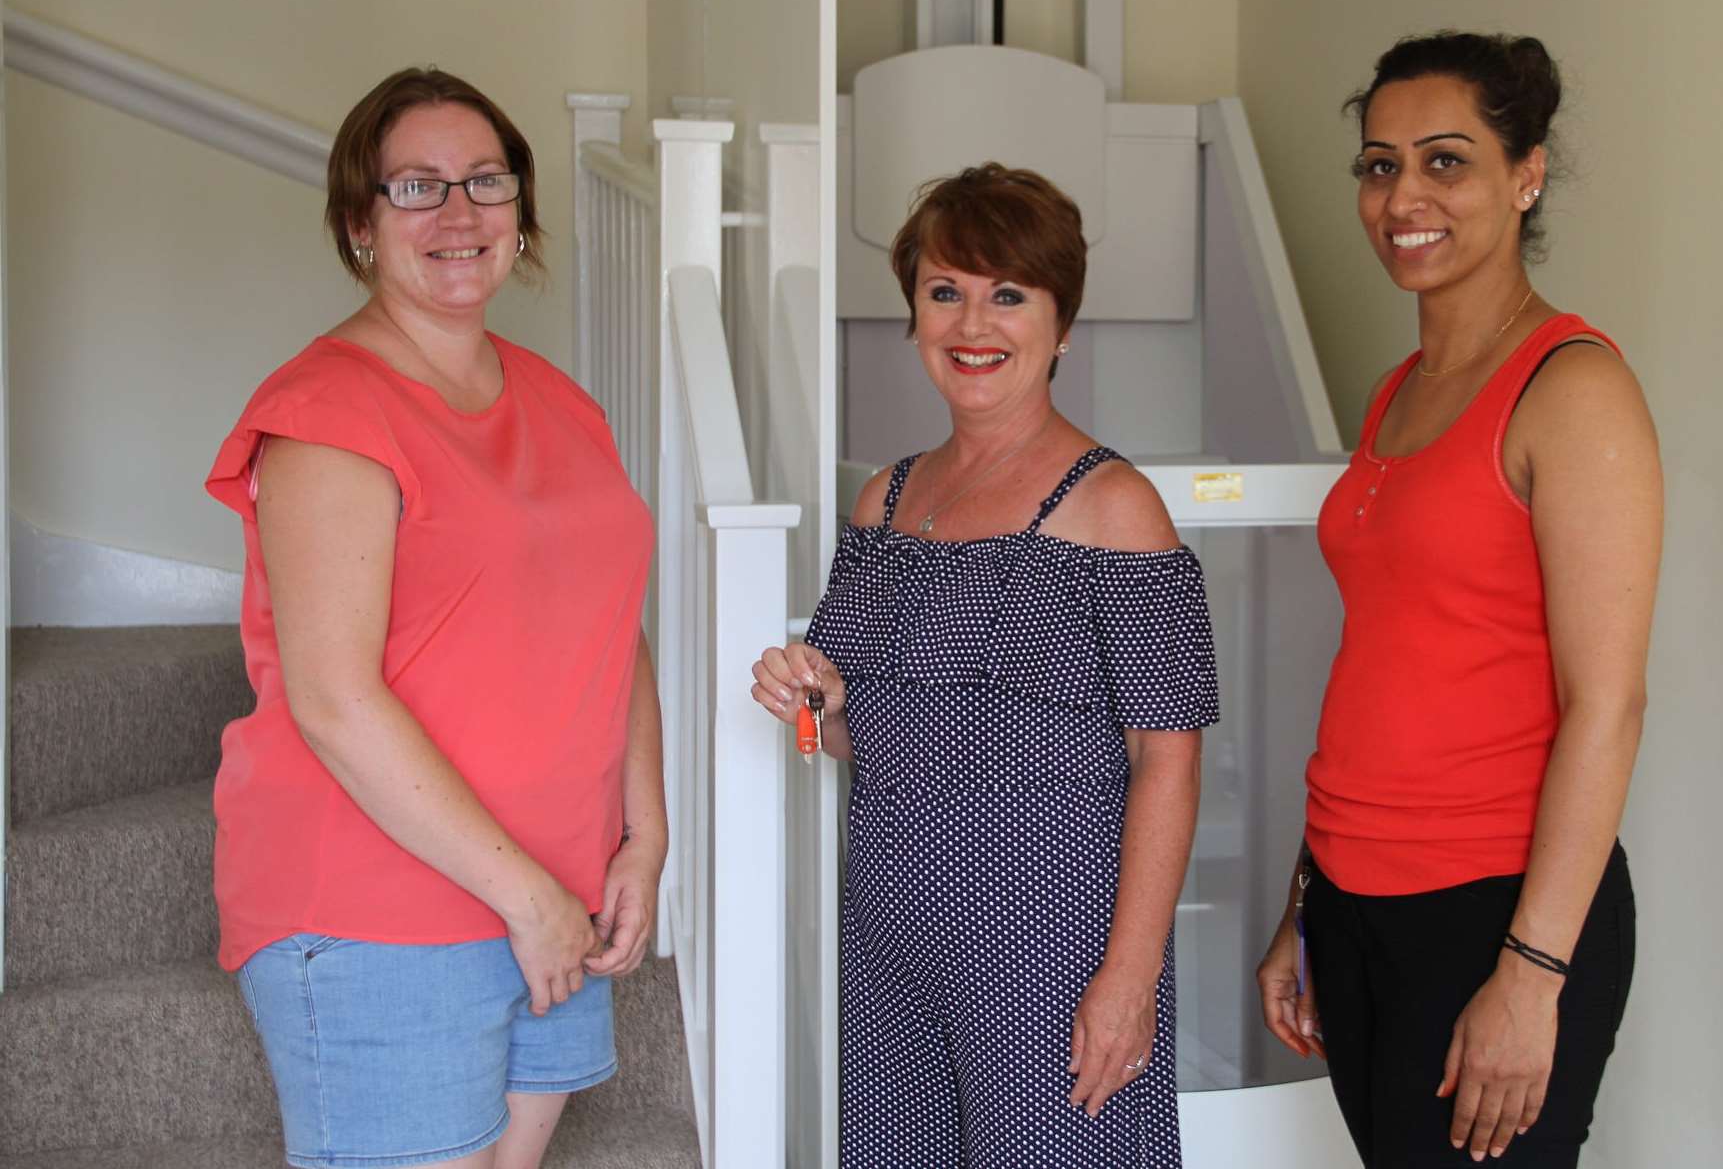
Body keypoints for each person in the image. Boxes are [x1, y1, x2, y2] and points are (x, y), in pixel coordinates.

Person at [204, 68, 664, 1169]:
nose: (458, 214)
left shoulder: (563, 402)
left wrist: (642, 837)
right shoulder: (326, 413)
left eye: (485, 182)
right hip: (383, 914)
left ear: (519, 214)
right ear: (361, 225)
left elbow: (615, 627)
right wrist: (530, 899)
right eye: (416, 187)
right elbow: (332, 696)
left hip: (555, 893)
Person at [752, 163, 1218, 1168]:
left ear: (1060, 322)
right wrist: (818, 699)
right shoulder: (883, 500)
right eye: (945, 291)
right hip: (886, 933)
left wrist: (1128, 978)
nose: (974, 322)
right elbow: (859, 732)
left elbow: (1168, 762)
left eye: (1008, 294)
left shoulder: (1115, 507)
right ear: (914, 312)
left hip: (1048, 939)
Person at [1255, 33, 1661, 1168]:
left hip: (1491, 913)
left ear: (1525, 173)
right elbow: (1386, 665)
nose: (1402, 198)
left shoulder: (1571, 389)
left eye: (1445, 162)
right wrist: (1303, 899)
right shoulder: (1399, 391)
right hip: (1350, 895)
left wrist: (1531, 976)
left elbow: (1607, 705)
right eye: (1378, 166)